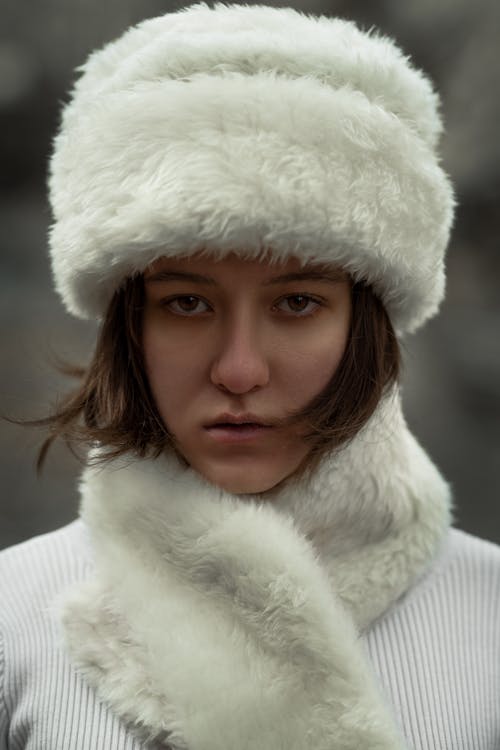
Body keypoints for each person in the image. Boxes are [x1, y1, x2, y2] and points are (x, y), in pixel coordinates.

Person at [0, 3, 499, 749]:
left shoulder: (490, 613)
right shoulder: (11, 618)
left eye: (297, 303)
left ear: (369, 324)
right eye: (187, 303)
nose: (238, 368)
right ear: (126, 326)